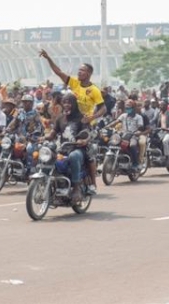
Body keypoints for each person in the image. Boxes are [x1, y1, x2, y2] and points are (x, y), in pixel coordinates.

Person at [39, 49, 106, 193]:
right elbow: (58, 72)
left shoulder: (94, 90)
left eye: (82, 70)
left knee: (88, 154)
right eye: (79, 70)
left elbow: (103, 108)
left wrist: (92, 117)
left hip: (85, 125)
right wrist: (48, 58)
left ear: (88, 73)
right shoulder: (74, 83)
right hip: (69, 121)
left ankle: (92, 184)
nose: (79, 72)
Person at [44, 94, 89, 204]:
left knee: (74, 156)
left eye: (69, 102)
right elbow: (53, 133)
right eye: (64, 102)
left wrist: (82, 140)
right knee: (47, 155)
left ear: (74, 104)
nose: (66, 105)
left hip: (77, 149)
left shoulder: (81, 117)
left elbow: (87, 133)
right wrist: (43, 137)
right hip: (62, 149)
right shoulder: (60, 117)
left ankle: (77, 188)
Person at [6, 94, 44, 172]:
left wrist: (33, 135)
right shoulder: (19, 112)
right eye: (24, 102)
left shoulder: (35, 113)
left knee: (29, 149)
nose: (26, 103)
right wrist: (7, 129)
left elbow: (40, 127)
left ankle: (29, 170)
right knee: (7, 143)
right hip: (19, 136)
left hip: (30, 138)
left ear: (32, 103)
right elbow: (14, 122)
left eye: (28, 102)